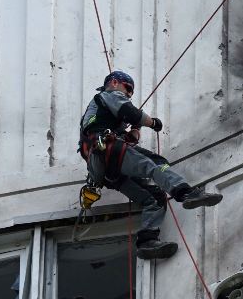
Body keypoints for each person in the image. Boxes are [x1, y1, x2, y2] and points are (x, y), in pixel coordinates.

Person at [79, 70, 222, 259]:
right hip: (108, 151)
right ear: (114, 82)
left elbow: (129, 138)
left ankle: (147, 241)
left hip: (106, 169)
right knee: (155, 163)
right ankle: (186, 193)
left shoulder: (100, 115)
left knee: (154, 197)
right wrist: (153, 122)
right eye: (127, 88)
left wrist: (135, 129)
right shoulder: (109, 95)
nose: (129, 94)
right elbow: (130, 112)